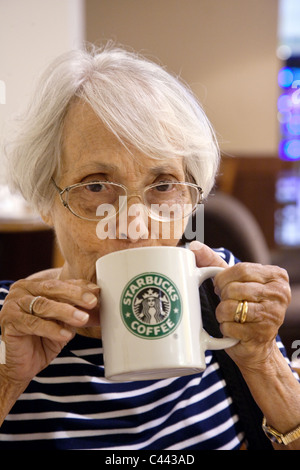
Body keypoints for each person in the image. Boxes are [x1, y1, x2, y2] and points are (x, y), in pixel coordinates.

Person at [0, 44, 299, 451]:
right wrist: (7, 378)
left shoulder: (221, 295)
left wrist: (263, 361)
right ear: (45, 201)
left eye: (163, 187)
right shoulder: (8, 328)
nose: (135, 225)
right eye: (95, 186)